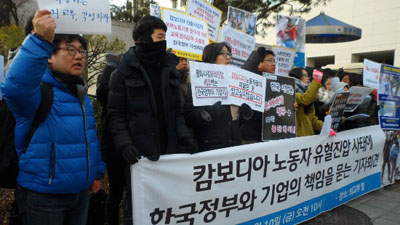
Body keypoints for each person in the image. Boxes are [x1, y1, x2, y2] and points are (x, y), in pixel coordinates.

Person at [0, 10, 105, 225]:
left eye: (81, 51)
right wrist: (39, 40)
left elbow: (88, 137)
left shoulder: (82, 93)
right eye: (70, 49)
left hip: (81, 194)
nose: (79, 56)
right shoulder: (37, 92)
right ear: (49, 54)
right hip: (43, 197)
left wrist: (96, 173)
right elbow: (14, 88)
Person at [106, 16, 198, 225]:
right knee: (138, 210)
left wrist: (184, 137)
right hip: (139, 159)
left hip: (169, 154)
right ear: (144, 39)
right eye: (160, 37)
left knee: (169, 208)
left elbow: (176, 112)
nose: (164, 41)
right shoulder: (122, 74)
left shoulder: (170, 71)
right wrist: (125, 145)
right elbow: (115, 115)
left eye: (165, 36)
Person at [184, 42, 252, 151]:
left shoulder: (235, 82)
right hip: (211, 148)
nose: (228, 57)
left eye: (229, 54)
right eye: (223, 54)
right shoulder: (198, 83)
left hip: (234, 146)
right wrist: (207, 113)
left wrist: (244, 113)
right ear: (211, 56)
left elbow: (236, 121)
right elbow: (188, 118)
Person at [96, 53, 125, 225]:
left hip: (126, 146)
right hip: (113, 146)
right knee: (116, 191)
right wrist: (110, 68)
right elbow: (103, 94)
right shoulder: (107, 78)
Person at [240, 47, 275, 142]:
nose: (273, 64)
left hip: (270, 134)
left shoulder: (276, 83)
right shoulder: (250, 79)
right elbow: (245, 71)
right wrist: (256, 55)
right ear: (259, 63)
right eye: (270, 60)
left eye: (274, 61)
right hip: (251, 136)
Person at [289, 68, 323, 136]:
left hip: (308, 139)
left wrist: (327, 127)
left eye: (308, 76)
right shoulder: (291, 92)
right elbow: (305, 99)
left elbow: (313, 119)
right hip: (297, 139)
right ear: (296, 77)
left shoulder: (308, 92)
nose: (308, 78)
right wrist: (316, 81)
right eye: (305, 75)